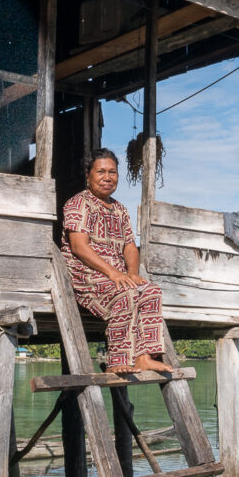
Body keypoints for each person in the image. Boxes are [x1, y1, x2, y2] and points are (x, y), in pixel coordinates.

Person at [61, 149, 171, 375]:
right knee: (127, 294)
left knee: (151, 291)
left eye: (112, 172)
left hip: (115, 275)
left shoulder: (120, 209)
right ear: (88, 175)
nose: (107, 177)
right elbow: (79, 247)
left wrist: (131, 272)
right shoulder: (78, 203)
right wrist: (114, 274)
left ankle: (143, 357)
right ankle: (117, 360)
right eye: (101, 172)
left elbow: (130, 245)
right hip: (87, 276)